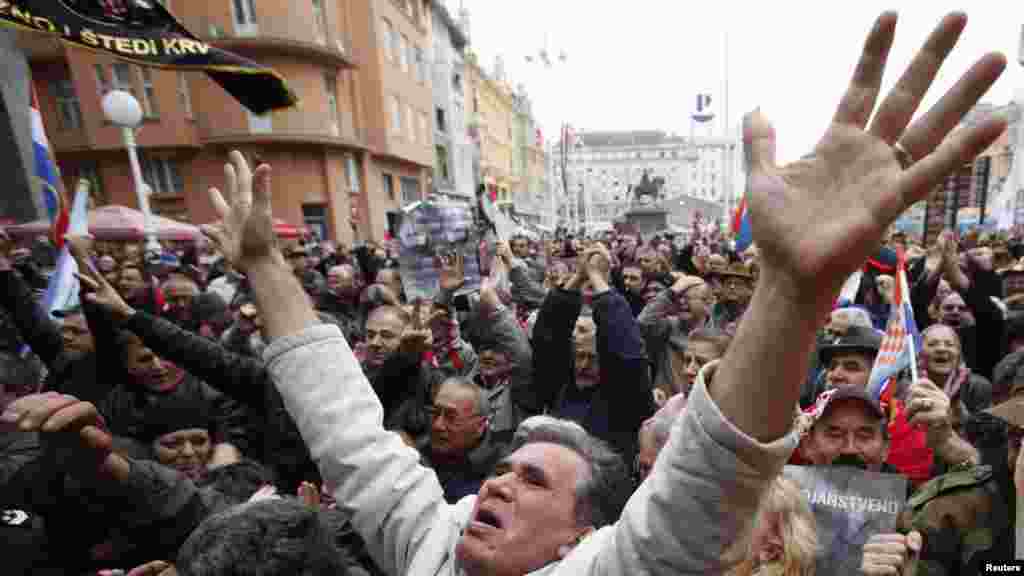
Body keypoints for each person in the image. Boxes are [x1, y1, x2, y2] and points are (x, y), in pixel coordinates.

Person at [193, 10, 1008, 572]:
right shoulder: (430, 552)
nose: (500, 480)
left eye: (536, 481)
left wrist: (794, 291)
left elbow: (705, 482)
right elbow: (348, 435)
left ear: (579, 539)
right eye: (508, 469)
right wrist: (265, 265)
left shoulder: (611, 567)